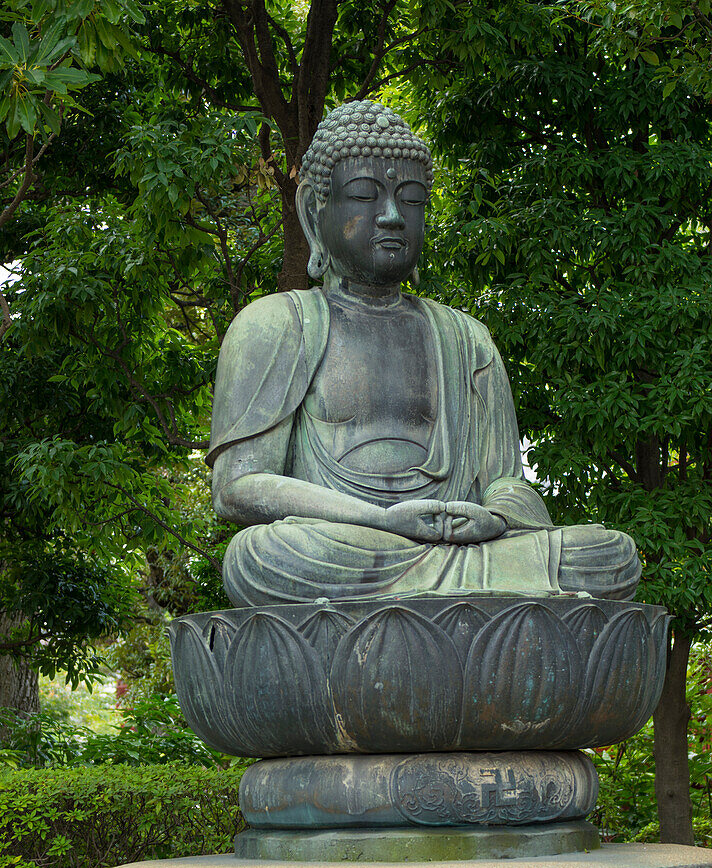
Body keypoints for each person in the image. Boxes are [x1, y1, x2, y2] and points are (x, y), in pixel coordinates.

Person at [207, 101, 640, 607]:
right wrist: (379, 520)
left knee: (610, 554)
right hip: (346, 546)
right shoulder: (278, 324)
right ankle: (467, 605)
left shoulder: (466, 338)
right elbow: (237, 488)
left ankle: (447, 599)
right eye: (365, 196)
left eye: (410, 200)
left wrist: (494, 517)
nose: (392, 216)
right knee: (262, 555)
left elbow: (506, 481)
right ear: (311, 211)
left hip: (463, 550)